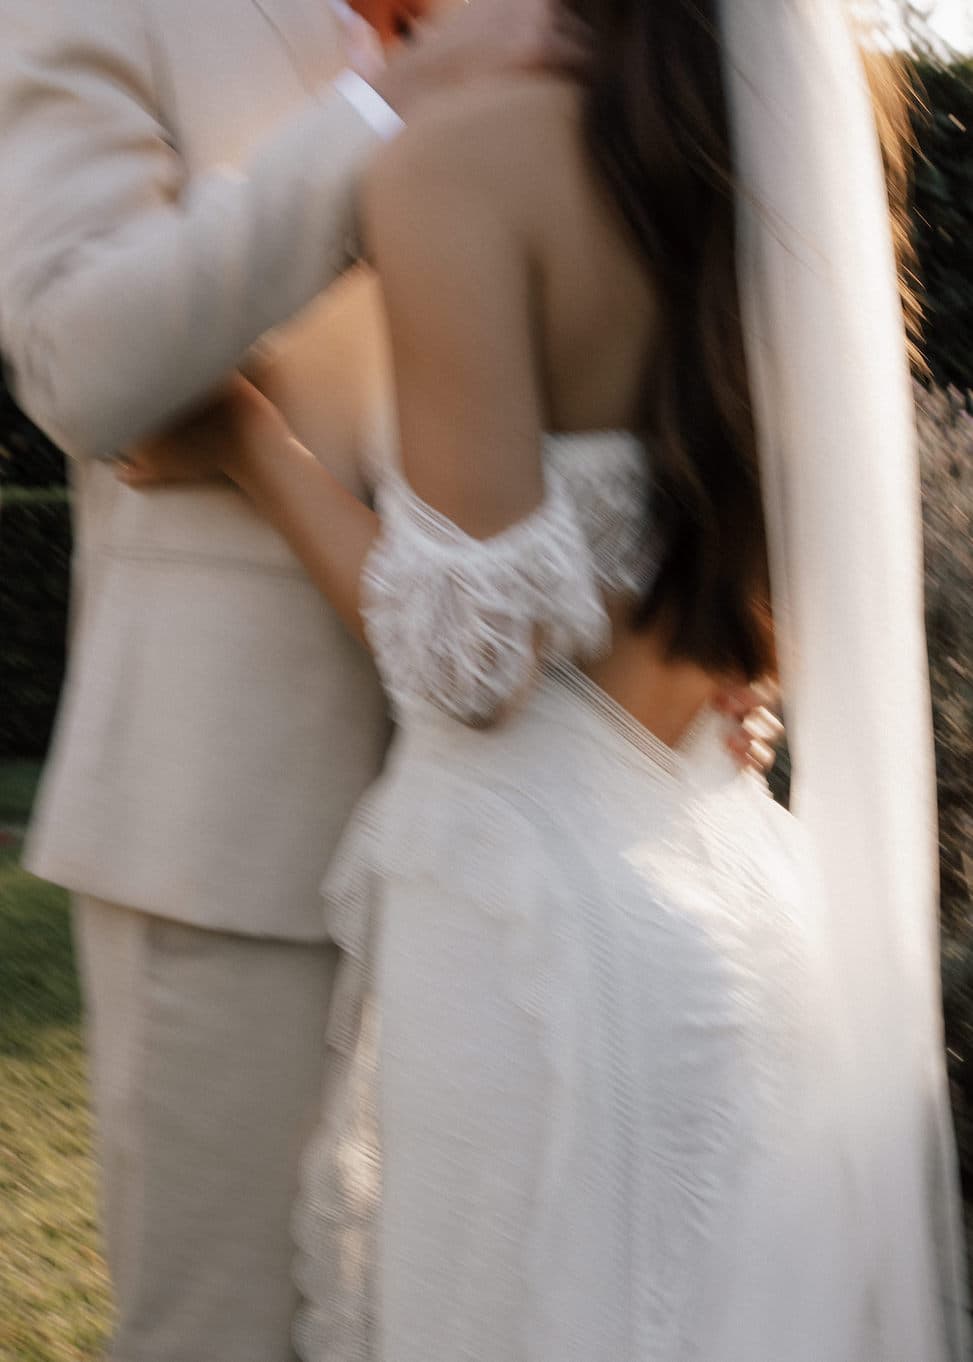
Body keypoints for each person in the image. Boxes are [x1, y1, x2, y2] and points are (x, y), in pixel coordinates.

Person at [121, 0, 972, 1356]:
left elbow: (469, 658)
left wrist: (248, 444)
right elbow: (791, 575)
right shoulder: (768, 164)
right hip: (746, 911)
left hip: (538, 958)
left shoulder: (459, 161)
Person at [0, 3, 650, 1359]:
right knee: (225, 1334)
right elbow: (76, 358)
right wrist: (381, 106)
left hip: (538, 835)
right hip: (233, 825)